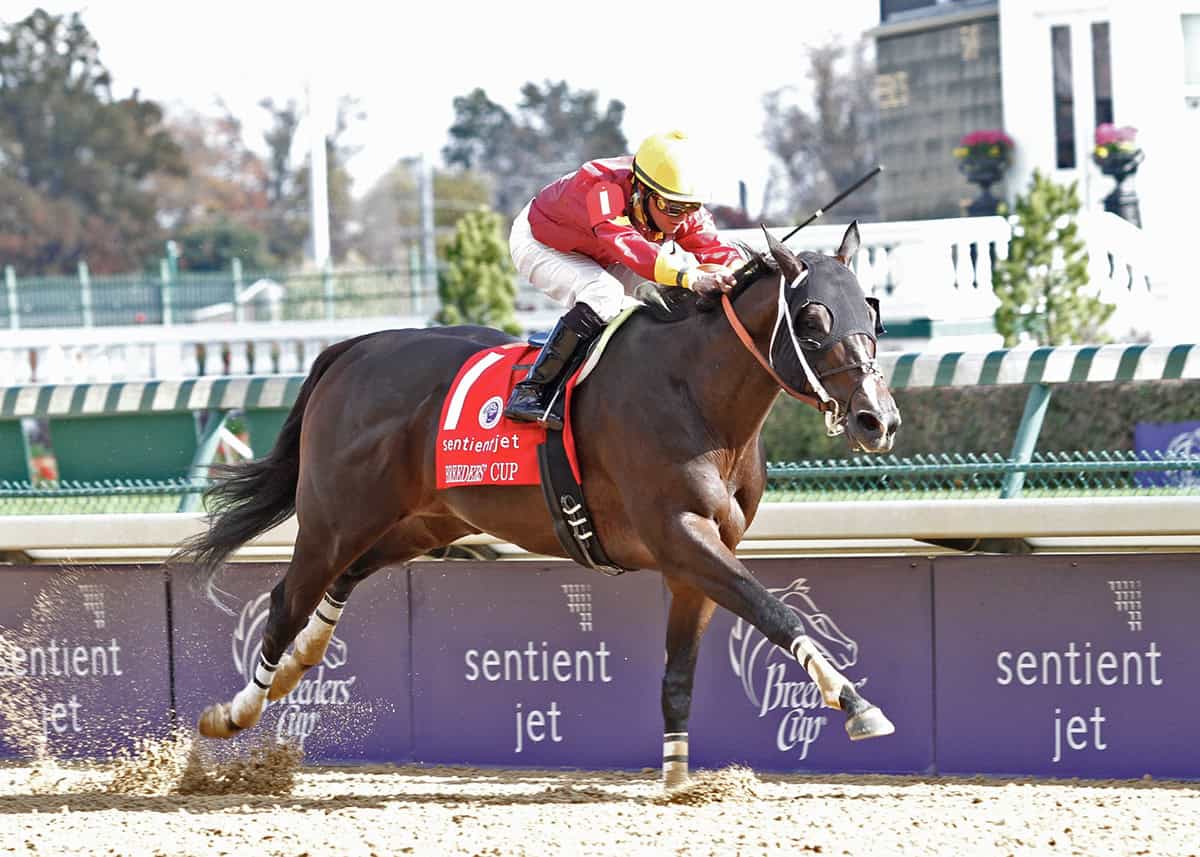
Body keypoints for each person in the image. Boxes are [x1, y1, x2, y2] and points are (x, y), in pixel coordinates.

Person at [504, 129, 744, 429]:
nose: (681, 217)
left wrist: (743, 273)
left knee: (665, 290)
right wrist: (691, 277)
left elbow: (715, 249)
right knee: (604, 293)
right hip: (542, 243)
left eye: (691, 208)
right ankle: (534, 391)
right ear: (642, 190)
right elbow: (629, 247)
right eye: (671, 208)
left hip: (601, 249)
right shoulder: (602, 188)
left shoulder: (677, 203)